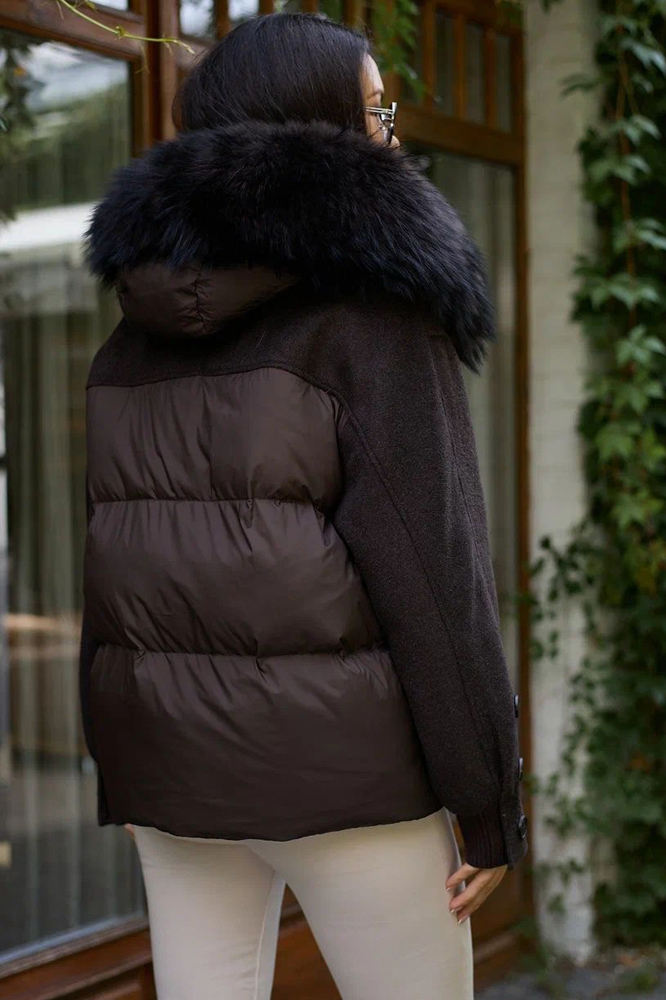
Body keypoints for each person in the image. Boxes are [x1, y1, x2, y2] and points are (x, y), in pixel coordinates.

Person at [80, 12, 528, 1000]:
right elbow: (433, 575)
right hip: (351, 780)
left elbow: (115, 564)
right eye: (376, 111)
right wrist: (488, 801)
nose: (392, 134)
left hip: (171, 769)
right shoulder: (378, 319)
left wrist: (125, 745)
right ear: (316, 123)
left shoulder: (129, 336)